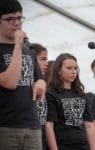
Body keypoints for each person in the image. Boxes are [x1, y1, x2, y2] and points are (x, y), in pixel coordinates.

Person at [0, 0, 46, 150]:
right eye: (10, 19)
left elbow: (39, 78)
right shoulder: (20, 48)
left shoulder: (29, 51)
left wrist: (41, 83)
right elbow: (10, 82)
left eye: (19, 18)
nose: (16, 23)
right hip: (6, 127)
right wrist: (18, 46)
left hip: (33, 125)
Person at [45, 53, 95, 150]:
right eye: (69, 68)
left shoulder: (81, 94)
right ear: (59, 71)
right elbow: (49, 126)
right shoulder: (51, 94)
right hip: (62, 145)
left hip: (83, 145)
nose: (74, 72)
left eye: (75, 68)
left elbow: (89, 125)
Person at [30, 43, 48, 150]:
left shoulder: (44, 85)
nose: (46, 63)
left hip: (42, 139)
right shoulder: (26, 85)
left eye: (47, 59)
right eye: (43, 59)